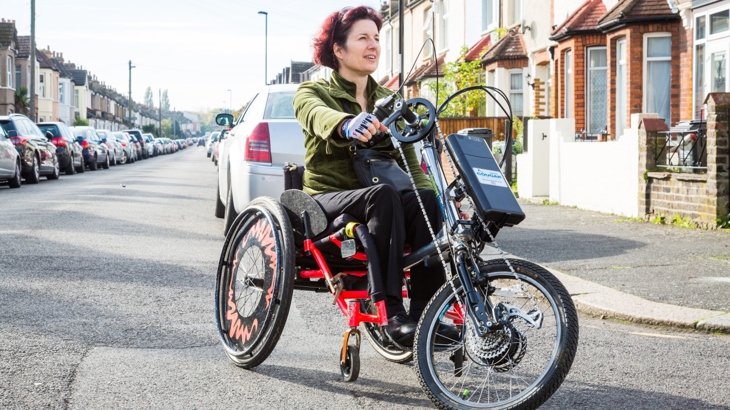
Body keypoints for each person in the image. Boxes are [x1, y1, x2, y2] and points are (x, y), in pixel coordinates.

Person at [293, 6, 450, 347]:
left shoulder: (390, 101)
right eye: (362, 38)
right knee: (384, 196)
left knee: (424, 200)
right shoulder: (313, 92)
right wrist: (346, 124)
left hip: (380, 198)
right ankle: (390, 312)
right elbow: (316, 116)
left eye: (377, 38)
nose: (373, 45)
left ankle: (427, 316)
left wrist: (436, 201)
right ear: (338, 49)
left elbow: (411, 167)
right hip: (328, 198)